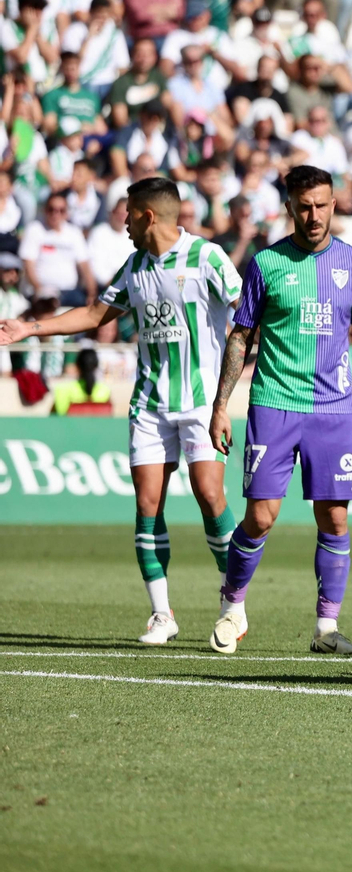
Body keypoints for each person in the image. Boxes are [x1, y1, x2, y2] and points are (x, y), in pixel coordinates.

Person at [0, 177, 242, 645]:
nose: (124, 222)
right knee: (147, 505)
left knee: (210, 495)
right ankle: (161, 614)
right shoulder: (133, 266)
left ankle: (233, 604)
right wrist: (29, 328)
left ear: (148, 215)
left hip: (201, 403)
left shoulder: (207, 257)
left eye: (129, 214)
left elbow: (246, 311)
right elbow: (93, 315)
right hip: (150, 404)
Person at [207, 165, 352, 656]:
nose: (313, 216)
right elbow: (241, 336)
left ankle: (327, 630)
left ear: (335, 205)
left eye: (322, 205)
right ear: (289, 207)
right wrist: (221, 405)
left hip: (334, 410)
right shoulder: (267, 263)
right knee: (262, 518)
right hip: (273, 403)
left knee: (334, 519)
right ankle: (232, 606)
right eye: (304, 206)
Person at [50, 347, 111, 415]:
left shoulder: (62, 389)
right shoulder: (105, 391)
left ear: (77, 365)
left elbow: (54, 419)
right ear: (96, 365)